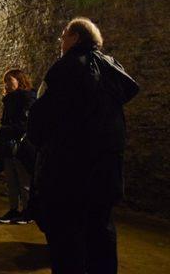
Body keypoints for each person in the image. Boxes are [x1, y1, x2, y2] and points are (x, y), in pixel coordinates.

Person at [28, 17, 139, 274]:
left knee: (67, 239)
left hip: (68, 172)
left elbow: (40, 118)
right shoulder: (113, 69)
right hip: (107, 172)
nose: (61, 40)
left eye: (64, 35)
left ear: (76, 37)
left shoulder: (65, 68)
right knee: (101, 235)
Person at [0, 69, 36, 224]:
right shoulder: (9, 99)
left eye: (9, 81)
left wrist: (5, 130)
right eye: (5, 81)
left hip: (22, 145)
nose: (7, 84)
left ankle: (28, 212)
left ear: (19, 80)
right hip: (9, 145)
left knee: (24, 181)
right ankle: (14, 210)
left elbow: (25, 124)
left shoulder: (28, 98)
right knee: (11, 180)